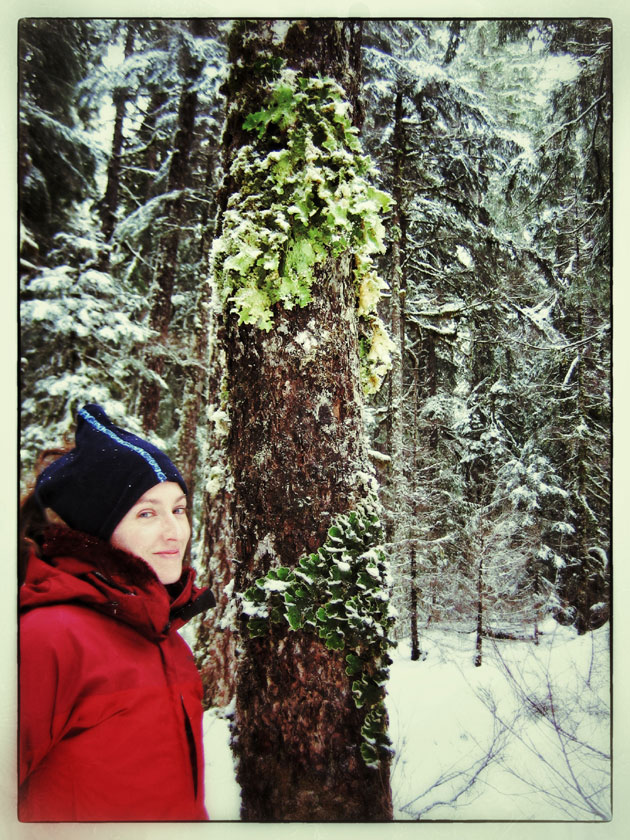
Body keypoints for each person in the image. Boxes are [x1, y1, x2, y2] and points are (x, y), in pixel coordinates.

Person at [18, 403, 216, 822]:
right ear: (95, 528)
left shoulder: (164, 635)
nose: (174, 532)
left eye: (178, 509)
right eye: (147, 513)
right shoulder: (47, 637)